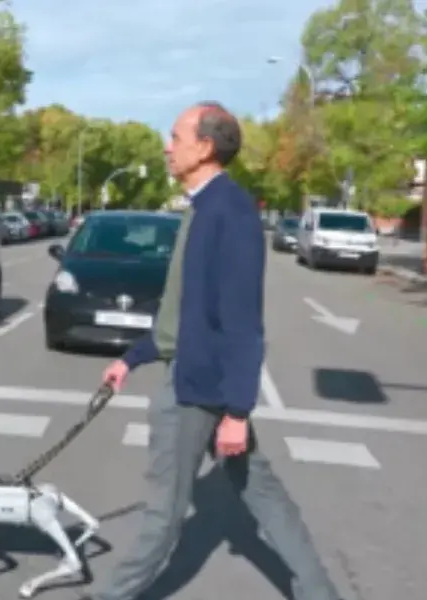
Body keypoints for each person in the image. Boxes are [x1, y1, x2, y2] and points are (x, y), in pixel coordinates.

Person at [83, 102, 344, 600]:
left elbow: (243, 323)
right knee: (265, 497)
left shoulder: (230, 212)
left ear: (204, 147)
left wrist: (237, 412)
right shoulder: (204, 208)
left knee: (163, 515)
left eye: (176, 136)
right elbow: (182, 312)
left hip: (196, 391)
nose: (167, 146)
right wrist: (131, 359)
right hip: (201, 382)